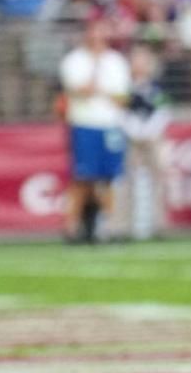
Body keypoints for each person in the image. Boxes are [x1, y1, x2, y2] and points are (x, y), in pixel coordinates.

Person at [60, 16, 130, 242]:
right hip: (85, 124)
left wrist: (100, 91)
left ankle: (108, 226)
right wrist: (97, 82)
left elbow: (121, 98)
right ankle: (73, 225)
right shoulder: (75, 60)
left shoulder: (116, 61)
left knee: (109, 177)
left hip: (110, 125)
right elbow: (81, 89)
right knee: (83, 177)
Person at [121, 44, 171, 241]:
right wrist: (134, 129)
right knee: (126, 181)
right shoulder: (124, 87)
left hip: (153, 136)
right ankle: (123, 226)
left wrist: (150, 129)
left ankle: (159, 225)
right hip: (130, 136)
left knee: (158, 179)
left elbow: (164, 110)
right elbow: (121, 111)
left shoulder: (156, 87)